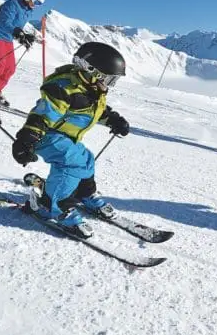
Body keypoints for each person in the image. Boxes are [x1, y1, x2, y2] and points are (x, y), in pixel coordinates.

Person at [10, 41, 130, 238]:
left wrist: (113, 119)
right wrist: (26, 139)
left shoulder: (91, 90)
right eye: (109, 80)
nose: (110, 85)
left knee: (86, 159)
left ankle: (84, 194)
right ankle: (52, 207)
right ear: (92, 71)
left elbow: (96, 110)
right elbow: (43, 114)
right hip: (46, 135)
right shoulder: (64, 88)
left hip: (65, 137)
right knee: (70, 164)